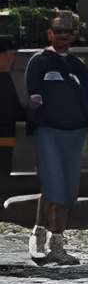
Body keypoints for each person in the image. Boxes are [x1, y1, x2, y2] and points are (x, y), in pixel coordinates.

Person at [25, 11, 88, 265]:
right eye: (58, 31)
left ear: (73, 35)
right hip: (48, 131)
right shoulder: (39, 61)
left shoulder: (78, 66)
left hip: (74, 133)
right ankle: (44, 237)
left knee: (66, 188)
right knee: (52, 185)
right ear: (50, 33)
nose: (63, 36)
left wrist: (85, 122)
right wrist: (40, 120)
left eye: (68, 32)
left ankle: (54, 240)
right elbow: (33, 95)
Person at [0, 31, 25, 216]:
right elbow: (11, 108)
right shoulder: (4, 77)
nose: (12, 60)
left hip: (6, 135)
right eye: (9, 56)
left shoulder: (5, 76)